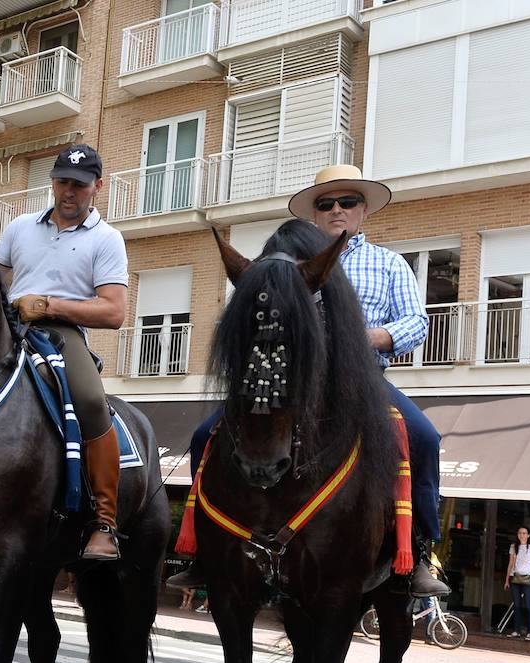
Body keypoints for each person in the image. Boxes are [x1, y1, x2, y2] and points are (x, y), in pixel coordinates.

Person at [168, 165, 448, 598]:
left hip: (360, 380)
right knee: (207, 434)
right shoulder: (274, 268)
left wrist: (363, 336)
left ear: (363, 210)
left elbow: (415, 323)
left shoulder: (390, 264)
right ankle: (205, 549)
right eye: (326, 203)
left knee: (424, 438)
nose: (337, 210)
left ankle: (419, 550)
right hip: (290, 378)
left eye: (348, 201)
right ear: (314, 214)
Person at [0, 143, 129, 560]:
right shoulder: (18, 228)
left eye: (80, 185)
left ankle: (104, 521)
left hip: (61, 333)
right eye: (63, 182)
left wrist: (49, 305)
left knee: (91, 401)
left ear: (97, 187)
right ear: (52, 181)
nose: (69, 192)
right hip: (7, 325)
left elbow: (114, 311)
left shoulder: (107, 239)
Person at [504, 526, 530, 640]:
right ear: (517, 535)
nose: (522, 535)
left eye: (524, 533)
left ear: (528, 535)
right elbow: (510, 564)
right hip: (515, 578)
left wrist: (528, 565)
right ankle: (516, 630)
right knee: (517, 605)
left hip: (529, 579)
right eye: (520, 533)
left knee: (529, 605)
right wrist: (507, 580)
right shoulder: (513, 546)